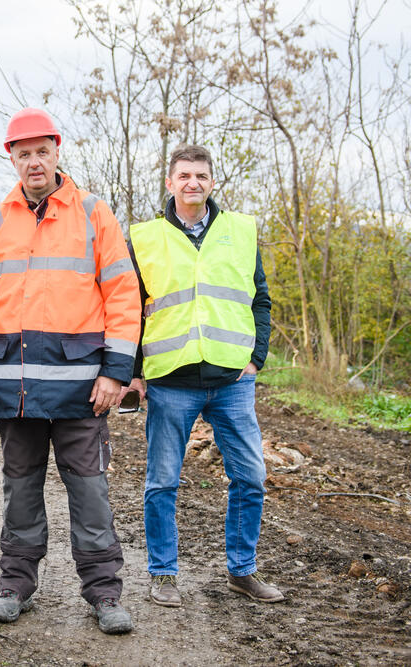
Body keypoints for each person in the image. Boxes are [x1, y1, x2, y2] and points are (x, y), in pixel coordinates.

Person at [0, 108, 141, 635]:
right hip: (14, 391)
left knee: (89, 492)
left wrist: (115, 371)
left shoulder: (94, 214)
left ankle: (105, 594)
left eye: (42, 151)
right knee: (20, 490)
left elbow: (124, 297)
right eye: (23, 153)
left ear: (57, 151)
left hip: (84, 389)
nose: (33, 161)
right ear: (11, 158)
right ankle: (14, 586)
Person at [122, 144, 282, 608]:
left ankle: (242, 570)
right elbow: (130, 309)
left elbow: (260, 299)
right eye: (184, 176)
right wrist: (133, 373)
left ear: (212, 182)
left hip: (232, 381)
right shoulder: (145, 237)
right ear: (169, 183)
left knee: (251, 477)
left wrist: (256, 359)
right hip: (170, 381)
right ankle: (164, 575)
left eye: (201, 175)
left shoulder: (240, 231)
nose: (193, 183)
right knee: (163, 482)